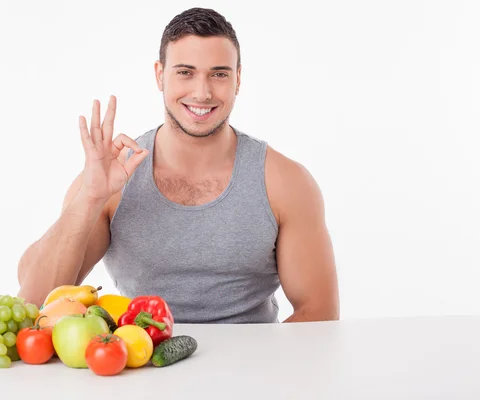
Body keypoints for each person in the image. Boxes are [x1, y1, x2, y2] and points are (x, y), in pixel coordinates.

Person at [17, 7, 340, 324]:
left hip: (251, 371)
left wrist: (259, 370)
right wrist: (89, 197)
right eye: (185, 72)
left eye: (219, 74)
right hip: (143, 361)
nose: (202, 92)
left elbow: (319, 313)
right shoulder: (112, 179)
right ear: (160, 75)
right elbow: (34, 300)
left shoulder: (286, 182)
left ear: (238, 80)